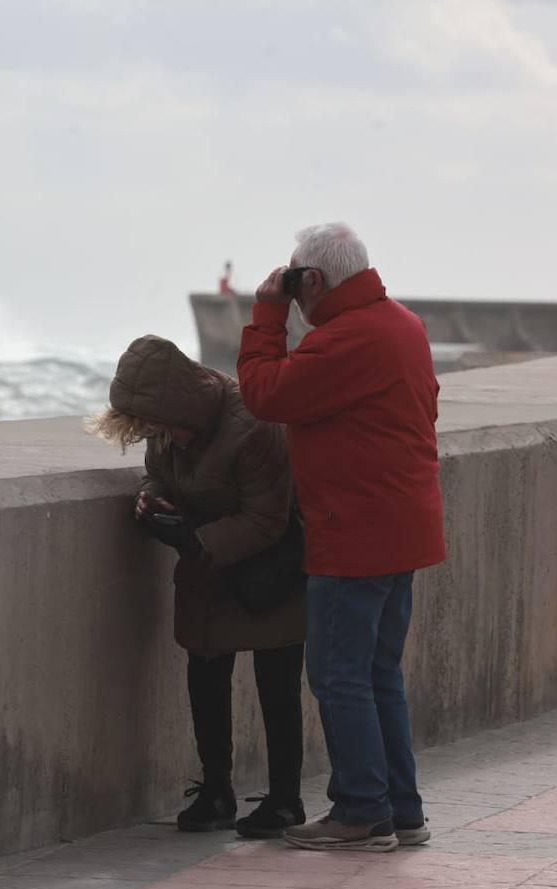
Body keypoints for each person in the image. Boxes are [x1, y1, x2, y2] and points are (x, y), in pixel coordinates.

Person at [237, 222, 445, 853]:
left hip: (354, 534)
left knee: (338, 677)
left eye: (299, 285)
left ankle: (361, 810)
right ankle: (401, 811)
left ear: (317, 279)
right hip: (400, 527)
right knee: (379, 673)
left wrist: (267, 316)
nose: (297, 298)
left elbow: (262, 393)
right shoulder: (402, 326)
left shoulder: (348, 340)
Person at [89, 335, 307, 839]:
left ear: (175, 406)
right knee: (205, 674)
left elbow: (268, 518)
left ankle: (285, 799)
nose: (156, 437)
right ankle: (216, 791)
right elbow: (156, 476)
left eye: (157, 428)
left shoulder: (253, 425)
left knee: (277, 682)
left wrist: (196, 540)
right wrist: (151, 501)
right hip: (207, 565)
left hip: (267, 566)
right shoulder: (164, 425)